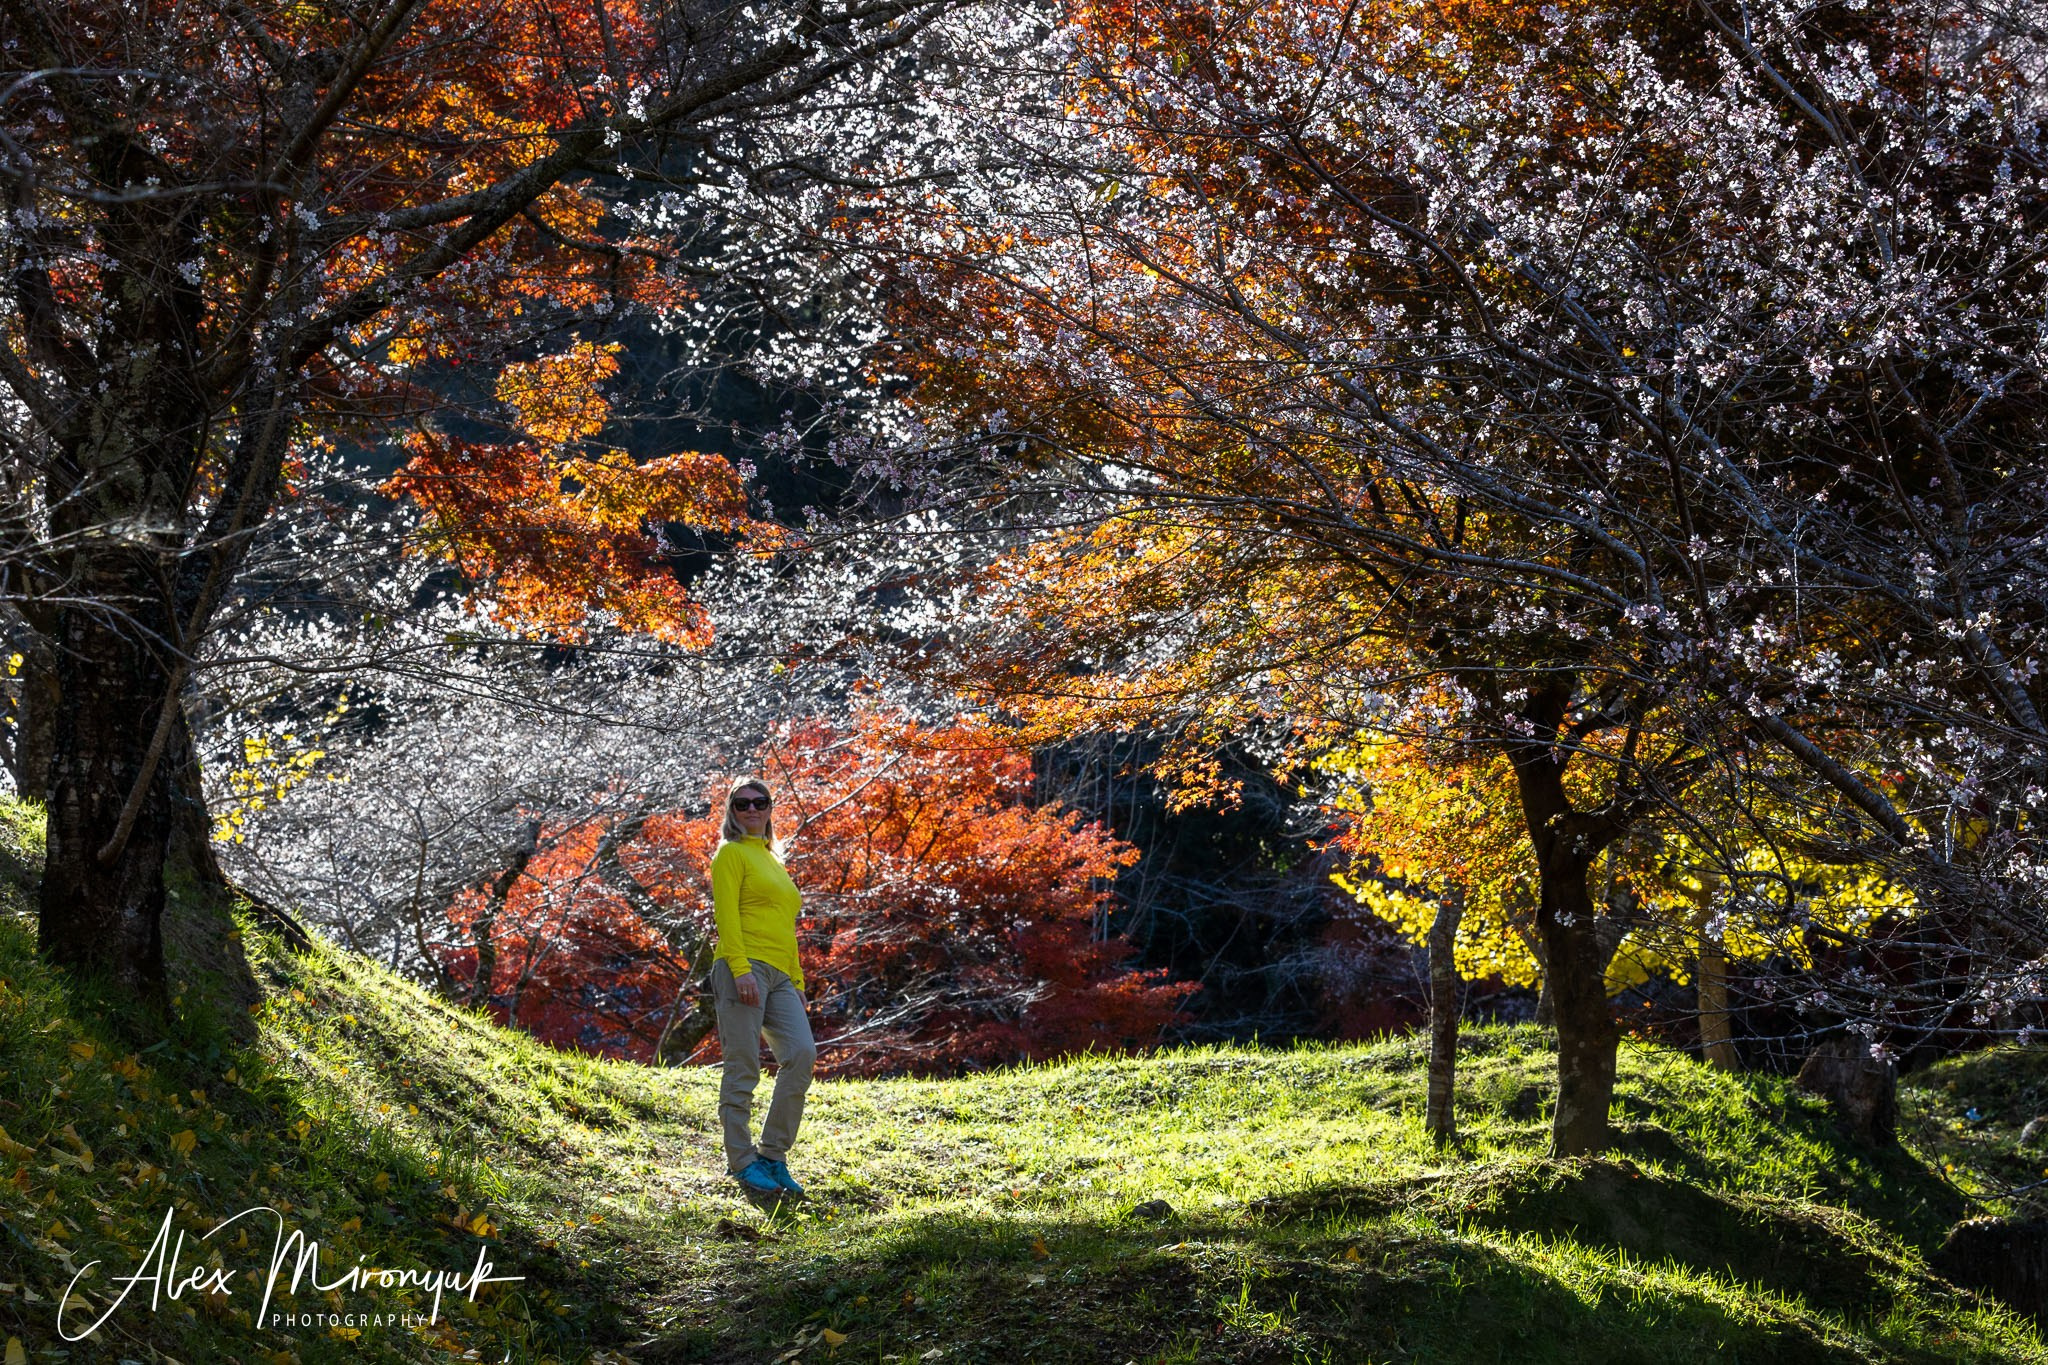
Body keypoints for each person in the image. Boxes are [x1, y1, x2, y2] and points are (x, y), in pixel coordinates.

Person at [708, 777, 816, 1197]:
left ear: (771, 808)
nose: (752, 809)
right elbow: (726, 918)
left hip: (780, 974)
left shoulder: (773, 860)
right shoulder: (730, 855)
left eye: (760, 802)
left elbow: (785, 928)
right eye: (742, 804)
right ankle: (741, 1160)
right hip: (743, 966)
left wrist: (798, 979)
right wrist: (739, 968)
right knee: (743, 1065)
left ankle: (773, 1155)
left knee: (801, 1054)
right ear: (731, 812)